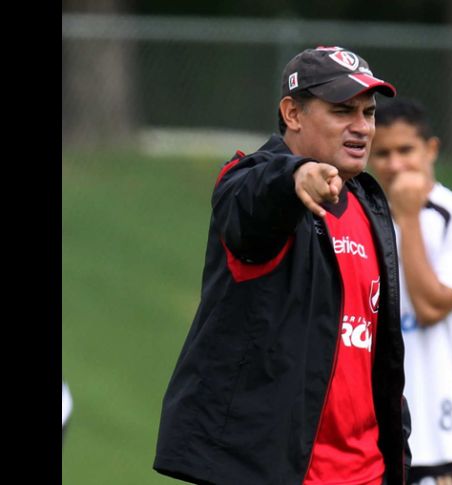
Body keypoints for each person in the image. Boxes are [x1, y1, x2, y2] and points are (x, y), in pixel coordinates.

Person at [153, 46, 411, 485]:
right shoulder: (250, 182)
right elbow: (254, 202)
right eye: (342, 110)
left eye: (368, 113)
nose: (362, 127)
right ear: (292, 113)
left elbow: (378, 360)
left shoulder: (369, 204)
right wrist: (294, 177)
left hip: (367, 472)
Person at [369, 98, 452, 485]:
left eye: (405, 150)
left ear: (431, 149)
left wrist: (407, 217)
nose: (394, 165)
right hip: (371, 441)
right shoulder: (361, 221)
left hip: (440, 441)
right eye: (382, 154)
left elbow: (430, 306)